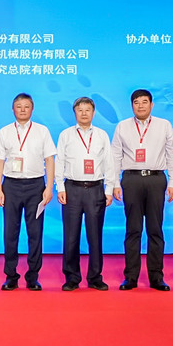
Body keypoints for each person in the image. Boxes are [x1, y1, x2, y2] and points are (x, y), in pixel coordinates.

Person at [114, 89, 173, 290]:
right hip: (131, 179)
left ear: (152, 105)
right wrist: (115, 183)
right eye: (136, 102)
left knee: (155, 230)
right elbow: (115, 156)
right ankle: (130, 277)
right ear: (131, 105)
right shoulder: (123, 126)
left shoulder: (164, 125)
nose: (140, 106)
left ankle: (156, 277)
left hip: (155, 179)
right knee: (133, 230)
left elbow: (172, 155)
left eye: (144, 102)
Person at [0, 93, 56, 290]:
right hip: (11, 186)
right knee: (10, 233)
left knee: (35, 233)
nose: (22, 110)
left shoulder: (42, 131)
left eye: (26, 106)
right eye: (19, 106)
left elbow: (49, 160)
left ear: (32, 109)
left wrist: (49, 187)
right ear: (13, 109)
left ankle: (32, 276)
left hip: (35, 186)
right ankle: (11, 276)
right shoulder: (5, 131)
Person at [56, 96, 115, 290]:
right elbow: (59, 162)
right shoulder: (66, 135)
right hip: (72, 189)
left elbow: (109, 163)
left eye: (87, 110)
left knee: (95, 236)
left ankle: (95, 277)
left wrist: (108, 189)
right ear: (74, 113)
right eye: (80, 110)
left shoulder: (102, 135)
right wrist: (60, 187)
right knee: (70, 236)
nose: (83, 113)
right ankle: (72, 278)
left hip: (95, 189)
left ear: (93, 113)